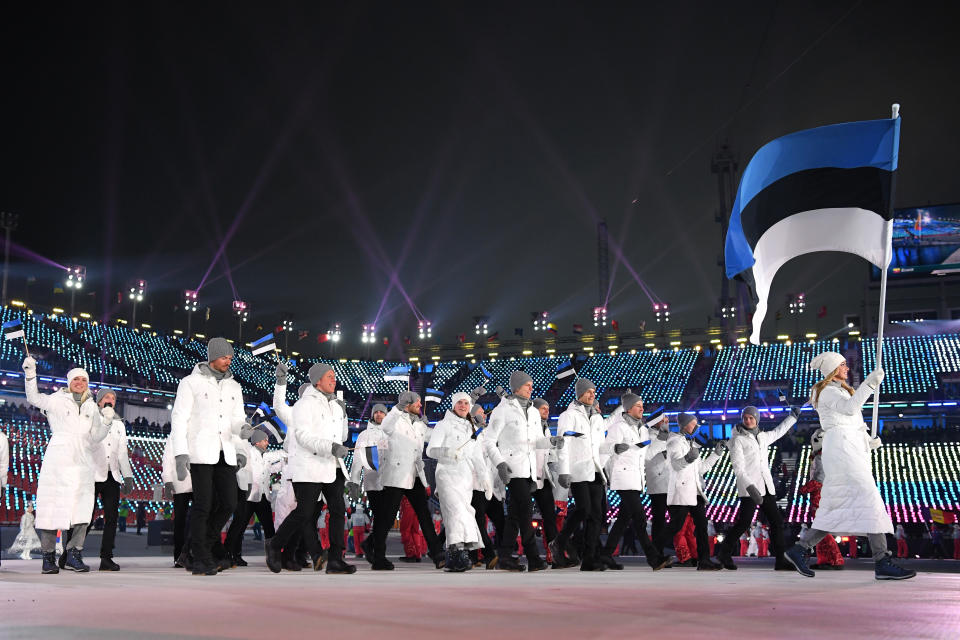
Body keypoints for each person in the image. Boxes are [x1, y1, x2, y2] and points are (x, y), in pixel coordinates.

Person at [784, 352, 915, 580]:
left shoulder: (839, 390)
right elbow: (849, 409)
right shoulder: (826, 391)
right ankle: (882, 560)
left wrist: (867, 442)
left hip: (849, 447)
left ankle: (799, 549)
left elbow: (849, 419)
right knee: (870, 498)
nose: (847, 367)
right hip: (842, 449)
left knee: (839, 505)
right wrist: (869, 384)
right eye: (843, 364)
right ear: (833, 368)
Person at [170, 337, 254, 576]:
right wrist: (180, 453)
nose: (229, 361)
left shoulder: (234, 386)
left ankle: (195, 549)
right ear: (212, 356)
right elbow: (179, 418)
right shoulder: (190, 383)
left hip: (225, 451)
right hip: (199, 452)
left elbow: (237, 419)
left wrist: (242, 437)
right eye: (224, 357)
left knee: (229, 503)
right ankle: (200, 557)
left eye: (230, 357)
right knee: (203, 505)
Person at [266, 363, 355, 574]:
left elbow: (340, 437)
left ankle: (335, 559)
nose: (334, 379)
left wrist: (343, 417)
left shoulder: (335, 406)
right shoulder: (303, 405)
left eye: (335, 376)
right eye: (329, 376)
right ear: (317, 381)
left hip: (332, 466)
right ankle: (275, 544)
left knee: (337, 511)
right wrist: (331, 447)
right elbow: (303, 436)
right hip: (309, 465)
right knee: (304, 513)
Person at [23, 359, 111, 573]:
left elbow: (97, 436)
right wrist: (30, 374)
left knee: (82, 510)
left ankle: (73, 554)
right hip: (59, 460)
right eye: (76, 379)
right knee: (53, 509)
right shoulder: (57, 400)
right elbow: (33, 398)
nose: (80, 382)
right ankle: (48, 558)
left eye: (83, 379)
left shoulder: (91, 405)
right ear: (69, 382)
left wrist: (107, 421)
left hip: (83, 462)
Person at [483, 372, 561, 571]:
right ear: (516, 387)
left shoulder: (534, 412)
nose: (531, 388)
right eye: (527, 385)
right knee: (525, 510)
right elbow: (489, 441)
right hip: (512, 468)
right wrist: (500, 463)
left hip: (529, 470)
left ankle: (505, 555)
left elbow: (536, 441)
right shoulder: (503, 410)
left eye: (531, 385)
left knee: (516, 515)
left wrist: (551, 441)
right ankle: (533, 557)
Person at [716, 405, 798, 570]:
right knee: (744, 522)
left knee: (777, 522)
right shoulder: (737, 440)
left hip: (766, 487)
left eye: (751, 418)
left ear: (757, 419)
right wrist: (751, 487)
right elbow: (738, 468)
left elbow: (779, 431)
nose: (747, 420)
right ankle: (724, 553)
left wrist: (793, 417)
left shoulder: (762, 437)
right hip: (749, 488)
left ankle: (780, 560)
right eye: (745, 418)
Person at [369, 391, 444, 569]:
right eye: (416, 402)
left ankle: (437, 554)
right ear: (407, 403)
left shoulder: (419, 425)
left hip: (414, 474)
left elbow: (434, 436)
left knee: (424, 516)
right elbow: (385, 426)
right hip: (395, 474)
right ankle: (378, 556)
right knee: (386, 519)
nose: (420, 404)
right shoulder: (396, 419)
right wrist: (398, 407)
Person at [597, 391, 668, 570]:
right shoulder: (617, 427)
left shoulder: (643, 430)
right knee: (640, 518)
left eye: (642, 405)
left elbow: (647, 455)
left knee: (623, 520)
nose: (642, 408)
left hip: (636, 479)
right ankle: (654, 558)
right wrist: (614, 447)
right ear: (628, 408)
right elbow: (603, 448)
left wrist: (660, 440)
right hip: (622, 477)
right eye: (638, 405)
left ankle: (606, 554)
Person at [426, 391, 489, 571]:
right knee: (455, 511)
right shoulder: (443, 425)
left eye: (466, 403)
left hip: (465, 477)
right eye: (459, 403)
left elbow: (477, 456)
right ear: (454, 405)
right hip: (447, 474)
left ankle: (461, 552)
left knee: (466, 512)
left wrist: (485, 478)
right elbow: (431, 450)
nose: (463, 406)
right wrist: (448, 452)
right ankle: (455, 553)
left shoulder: (471, 428)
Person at [653, 412, 724, 571]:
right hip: (682, 490)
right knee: (676, 526)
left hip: (694, 490)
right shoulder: (674, 442)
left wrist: (716, 455)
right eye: (694, 423)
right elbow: (676, 466)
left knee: (701, 525)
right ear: (685, 425)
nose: (697, 426)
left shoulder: (689, 442)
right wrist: (688, 459)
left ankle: (704, 560)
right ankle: (653, 553)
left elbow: (701, 469)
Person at [556, 379, 609, 572]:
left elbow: (601, 446)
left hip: (595, 469)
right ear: (579, 393)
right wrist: (564, 470)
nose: (591, 394)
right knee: (584, 510)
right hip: (577, 469)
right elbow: (564, 443)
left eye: (593, 391)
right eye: (588, 391)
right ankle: (560, 541)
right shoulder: (568, 416)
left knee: (596, 516)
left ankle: (589, 559)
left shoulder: (597, 418)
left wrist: (607, 464)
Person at [87, 388, 134, 570]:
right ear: (99, 402)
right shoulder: (91, 419)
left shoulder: (119, 425)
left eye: (113, 398)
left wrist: (127, 476)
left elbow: (122, 453)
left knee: (112, 518)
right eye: (106, 397)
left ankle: (106, 557)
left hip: (111, 476)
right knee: (85, 517)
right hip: (92, 474)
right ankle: (71, 552)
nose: (110, 400)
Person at [224, 428, 284, 566]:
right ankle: (232, 554)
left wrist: (283, 463)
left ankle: (272, 556)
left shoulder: (265, 455)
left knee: (269, 527)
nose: (267, 442)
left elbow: (270, 468)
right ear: (257, 442)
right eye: (264, 440)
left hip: (263, 496)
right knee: (240, 525)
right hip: (248, 496)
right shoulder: (249, 453)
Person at [530, 397, 569, 568]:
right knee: (518, 517)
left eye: (547, 408)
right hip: (530, 475)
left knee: (550, 517)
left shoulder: (545, 428)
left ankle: (553, 554)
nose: (546, 410)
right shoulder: (531, 426)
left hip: (544, 477)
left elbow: (549, 455)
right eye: (542, 408)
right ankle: (506, 552)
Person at [797, 428, 844, 569]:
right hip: (824, 494)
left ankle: (834, 560)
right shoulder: (826, 456)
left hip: (820, 495)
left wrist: (804, 489)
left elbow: (819, 480)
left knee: (821, 529)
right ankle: (825, 559)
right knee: (820, 528)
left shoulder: (821, 457)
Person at [348, 403, 388, 565]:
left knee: (385, 519)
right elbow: (358, 459)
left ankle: (370, 544)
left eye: (382, 412)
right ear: (372, 415)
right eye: (376, 412)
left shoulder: (391, 432)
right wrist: (354, 481)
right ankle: (378, 552)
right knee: (380, 518)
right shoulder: (365, 435)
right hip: (372, 481)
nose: (379, 414)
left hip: (390, 481)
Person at [466, 401, 500, 569]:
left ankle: (474, 556)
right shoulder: (470, 431)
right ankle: (488, 554)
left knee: (481, 520)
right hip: (473, 484)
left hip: (486, 484)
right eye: (480, 412)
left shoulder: (485, 433)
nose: (484, 415)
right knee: (477, 521)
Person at [162, 437, 193, 568]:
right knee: (180, 521)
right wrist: (167, 480)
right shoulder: (173, 437)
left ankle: (192, 552)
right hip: (180, 482)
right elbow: (167, 459)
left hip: (198, 480)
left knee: (199, 518)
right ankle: (179, 555)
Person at [645, 413, 673, 551]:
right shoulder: (648, 435)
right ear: (655, 422)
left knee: (678, 519)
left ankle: (665, 544)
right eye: (663, 420)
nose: (666, 422)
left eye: (667, 420)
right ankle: (658, 550)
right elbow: (647, 455)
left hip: (672, 482)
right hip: (657, 483)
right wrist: (662, 442)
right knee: (659, 519)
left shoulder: (670, 435)